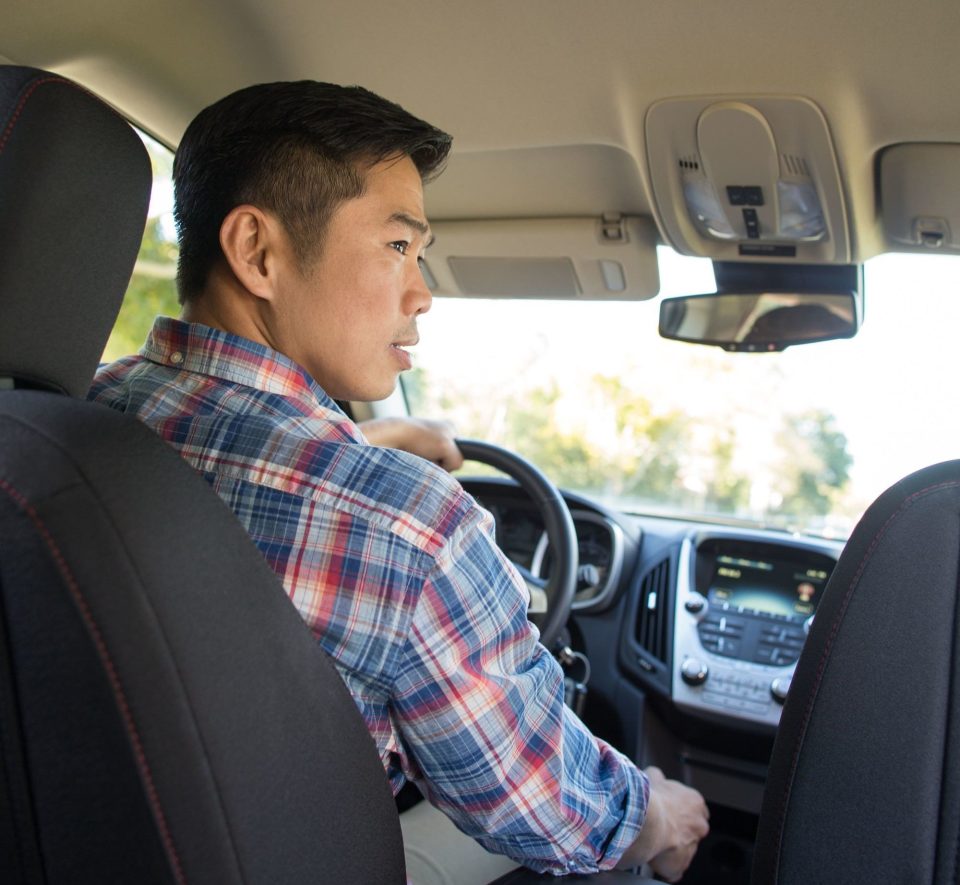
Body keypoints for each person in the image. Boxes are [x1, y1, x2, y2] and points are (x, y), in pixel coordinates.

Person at [89, 81, 708, 881]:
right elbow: (546, 803)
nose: (422, 293)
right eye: (397, 247)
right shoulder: (412, 527)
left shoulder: (75, 412)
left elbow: (224, 455)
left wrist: (369, 436)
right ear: (258, 252)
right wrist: (657, 810)